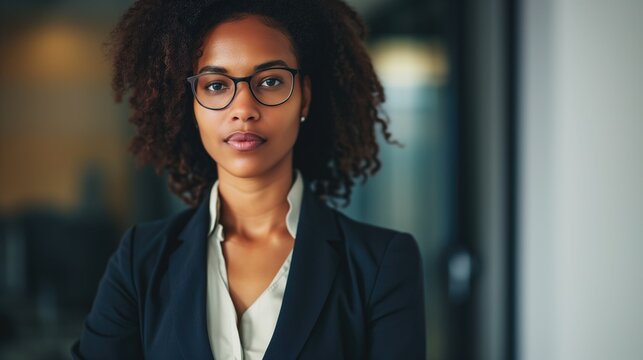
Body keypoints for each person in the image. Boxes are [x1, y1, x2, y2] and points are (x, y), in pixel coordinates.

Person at [71, 0, 426, 358]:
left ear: (305, 98)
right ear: (190, 105)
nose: (243, 109)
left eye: (270, 81)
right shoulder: (140, 260)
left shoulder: (380, 263)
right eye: (215, 85)